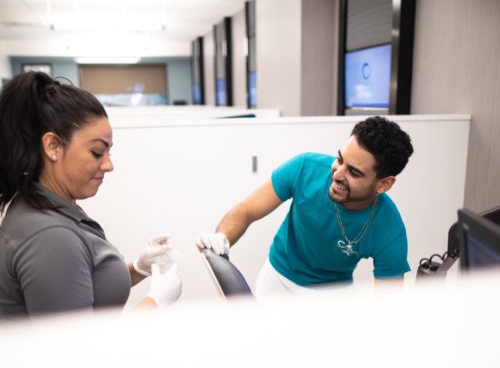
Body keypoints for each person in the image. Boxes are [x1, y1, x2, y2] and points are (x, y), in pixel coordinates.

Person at [0, 71, 181, 319]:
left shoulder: (47, 204)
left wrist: (139, 268)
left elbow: (79, 287)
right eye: (97, 152)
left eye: (109, 153)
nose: (109, 165)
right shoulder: (50, 237)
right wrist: (156, 302)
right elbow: (77, 350)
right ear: (53, 146)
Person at [196, 116, 414, 296]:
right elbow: (246, 211)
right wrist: (222, 238)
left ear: (384, 184)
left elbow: (388, 308)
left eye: (354, 172)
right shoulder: (305, 168)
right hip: (277, 281)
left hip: (333, 295)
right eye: (340, 160)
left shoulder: (390, 230)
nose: (337, 174)